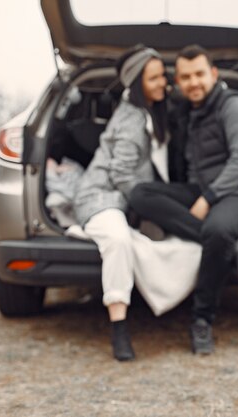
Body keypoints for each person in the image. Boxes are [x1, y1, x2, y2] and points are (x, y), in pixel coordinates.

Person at [129, 44, 238, 354]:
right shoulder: (189, 110)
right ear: (178, 82)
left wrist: (208, 198)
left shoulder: (234, 106)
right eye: (185, 77)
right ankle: (228, 247)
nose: (193, 82)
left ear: (213, 74)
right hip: (204, 187)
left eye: (199, 74)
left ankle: (202, 319)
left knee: (218, 229)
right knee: (140, 193)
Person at [74, 45, 169, 361]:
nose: (163, 84)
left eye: (163, 77)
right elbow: (121, 175)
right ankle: (119, 328)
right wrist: (156, 208)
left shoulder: (146, 111)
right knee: (118, 241)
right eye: (154, 78)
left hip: (120, 198)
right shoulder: (131, 120)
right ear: (137, 82)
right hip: (99, 195)